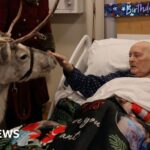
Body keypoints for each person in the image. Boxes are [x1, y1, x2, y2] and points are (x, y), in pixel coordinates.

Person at [0, 0, 55, 129]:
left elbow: (45, 27)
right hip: (14, 69)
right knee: (13, 123)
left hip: (34, 68)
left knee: (36, 115)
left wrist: (49, 53)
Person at [50, 41, 150, 99]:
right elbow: (89, 85)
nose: (131, 59)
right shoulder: (122, 76)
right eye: (130, 56)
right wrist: (68, 68)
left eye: (137, 55)